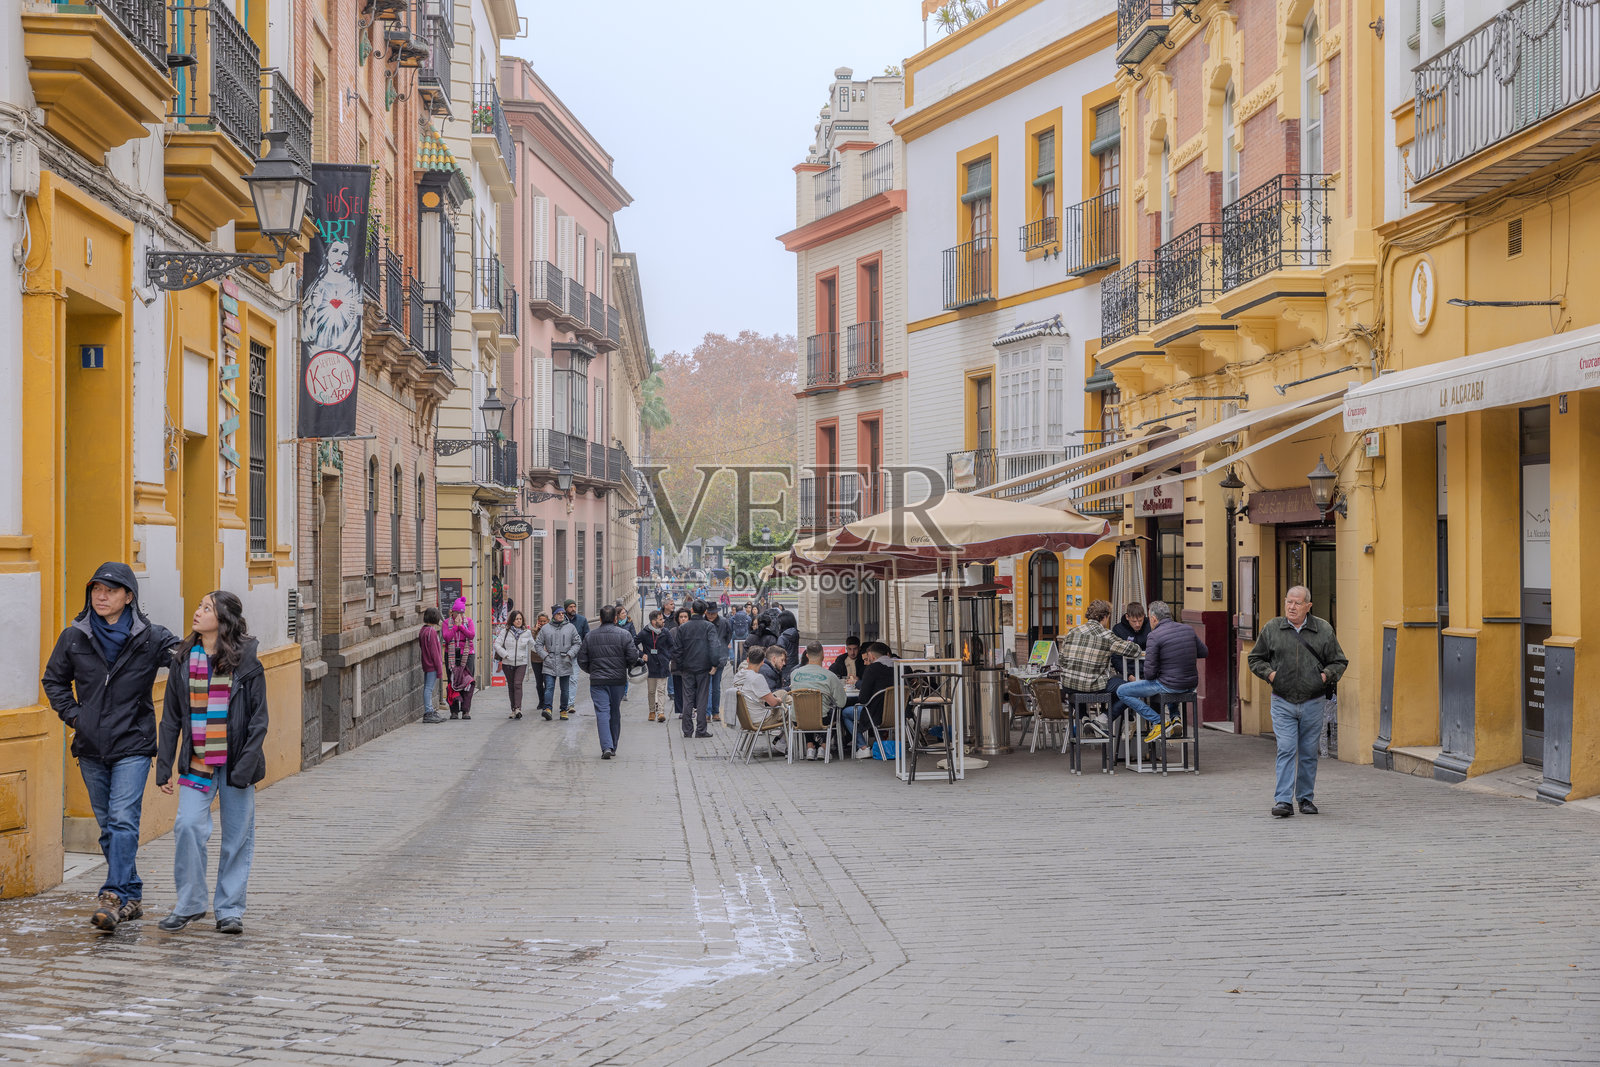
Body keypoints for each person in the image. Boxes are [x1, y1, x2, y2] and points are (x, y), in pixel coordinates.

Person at [42, 562, 183, 932]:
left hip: (133, 743)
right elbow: (53, 680)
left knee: (122, 820)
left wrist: (223, 647)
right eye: (96, 590)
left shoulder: (151, 638)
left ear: (129, 597)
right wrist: (76, 717)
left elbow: (188, 660)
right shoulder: (74, 636)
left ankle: (114, 894)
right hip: (90, 745)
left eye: (110, 590)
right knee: (108, 827)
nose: (101, 596)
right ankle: (132, 894)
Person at [153, 591, 269, 935]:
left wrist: (245, 767)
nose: (198, 611)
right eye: (199, 605)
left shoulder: (247, 661)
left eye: (207, 608)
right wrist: (164, 765)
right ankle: (190, 904)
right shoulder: (183, 659)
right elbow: (171, 718)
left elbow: (258, 720)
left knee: (237, 839)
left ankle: (229, 909)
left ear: (224, 618)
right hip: (197, 762)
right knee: (187, 826)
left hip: (236, 765)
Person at [1249, 585, 1347, 818]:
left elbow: (1339, 662)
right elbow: (1255, 659)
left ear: (1308, 606)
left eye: (1297, 603)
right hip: (1282, 700)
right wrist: (1272, 675)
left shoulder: (1323, 629)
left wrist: (1323, 677)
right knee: (1286, 747)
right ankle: (1283, 800)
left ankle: (1305, 798)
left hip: (1313, 701)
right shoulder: (1273, 628)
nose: (1291, 607)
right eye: (1289, 602)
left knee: (1308, 752)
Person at [1116, 601, 1207, 744]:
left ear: (1153, 619)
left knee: (1122, 691)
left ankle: (1159, 722)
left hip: (1169, 684)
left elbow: (1150, 673)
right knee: (1169, 681)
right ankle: (1175, 717)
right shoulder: (1188, 629)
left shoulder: (1154, 635)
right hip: (1191, 684)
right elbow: (1204, 652)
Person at [1054, 600, 1146, 740]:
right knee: (1131, 689)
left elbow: (1061, 660)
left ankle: (1084, 718)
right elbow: (1134, 651)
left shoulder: (1072, 632)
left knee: (1074, 683)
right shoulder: (1106, 635)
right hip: (1092, 685)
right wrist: (1129, 644)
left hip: (1068, 685)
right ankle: (1103, 719)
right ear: (1106, 617)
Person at [576, 605, 644, 759]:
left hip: (597, 681)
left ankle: (606, 746)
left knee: (602, 712)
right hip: (618, 681)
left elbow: (582, 659)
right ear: (615, 618)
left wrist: (592, 671)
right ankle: (612, 745)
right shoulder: (624, 635)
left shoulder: (590, 636)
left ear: (600, 619)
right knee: (614, 712)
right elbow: (633, 657)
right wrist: (624, 666)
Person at [674, 601, 725, 739]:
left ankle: (687, 730)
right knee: (702, 698)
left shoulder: (683, 628)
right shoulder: (708, 626)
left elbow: (677, 649)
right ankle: (701, 729)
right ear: (705, 612)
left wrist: (680, 665)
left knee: (688, 698)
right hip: (703, 667)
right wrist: (714, 664)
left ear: (692, 610)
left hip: (687, 667)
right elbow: (714, 646)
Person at [790, 641, 847, 761]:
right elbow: (841, 702)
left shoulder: (794, 674)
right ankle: (824, 747)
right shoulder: (830, 676)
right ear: (823, 655)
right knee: (833, 713)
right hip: (822, 719)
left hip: (798, 720)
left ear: (807, 655)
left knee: (805, 710)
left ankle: (810, 747)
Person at [732, 646, 788, 757]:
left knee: (781, 695)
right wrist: (779, 700)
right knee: (791, 712)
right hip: (761, 719)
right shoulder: (757, 678)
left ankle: (781, 742)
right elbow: (772, 703)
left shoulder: (738, 676)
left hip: (745, 719)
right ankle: (783, 743)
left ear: (748, 660)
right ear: (762, 662)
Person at [843, 641, 895, 758]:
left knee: (845, 713)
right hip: (897, 713)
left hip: (876, 713)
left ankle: (863, 747)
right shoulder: (899, 666)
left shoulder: (872, 669)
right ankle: (880, 743)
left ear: (871, 656)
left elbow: (863, 699)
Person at [536, 605, 581, 720]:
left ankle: (563, 710)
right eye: (558, 613)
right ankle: (547, 709)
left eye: (562, 613)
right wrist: (545, 656)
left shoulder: (570, 627)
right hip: (549, 661)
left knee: (565, 689)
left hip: (565, 661)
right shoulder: (546, 628)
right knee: (549, 687)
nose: (561, 615)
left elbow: (577, 643)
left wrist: (570, 654)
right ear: (553, 615)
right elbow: (538, 644)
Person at [494, 610, 537, 720]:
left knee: (518, 684)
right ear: (512, 620)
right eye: (516, 619)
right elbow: (497, 644)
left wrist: (544, 652)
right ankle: (513, 709)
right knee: (511, 686)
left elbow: (533, 646)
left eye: (520, 619)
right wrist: (505, 655)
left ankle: (518, 708)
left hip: (521, 662)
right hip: (508, 662)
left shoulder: (526, 633)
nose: (518, 621)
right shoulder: (505, 631)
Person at [442, 598, 477, 720]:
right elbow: (446, 637)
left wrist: (461, 626)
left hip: (467, 655)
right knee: (452, 682)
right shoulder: (446, 623)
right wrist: (455, 627)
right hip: (452, 655)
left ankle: (466, 710)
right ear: (453, 612)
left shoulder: (469, 622)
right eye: (459, 613)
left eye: (463, 613)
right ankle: (454, 711)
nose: (461, 616)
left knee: (467, 682)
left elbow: (471, 635)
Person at [637, 610, 672, 722]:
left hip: (662, 664)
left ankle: (661, 712)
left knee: (661, 690)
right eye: (661, 619)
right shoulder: (644, 633)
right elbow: (632, 644)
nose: (663, 621)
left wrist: (668, 657)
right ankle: (652, 711)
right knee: (651, 691)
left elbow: (672, 646)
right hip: (650, 665)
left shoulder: (665, 632)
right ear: (653, 621)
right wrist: (642, 654)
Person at [704, 602, 733, 722]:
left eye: (713, 613)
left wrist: (723, 648)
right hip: (705, 658)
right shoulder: (702, 622)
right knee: (707, 687)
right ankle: (707, 712)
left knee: (716, 687)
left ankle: (715, 712)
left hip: (720, 657)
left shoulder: (724, 622)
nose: (711, 615)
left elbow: (728, 636)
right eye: (709, 613)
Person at [418, 608, 445, 724]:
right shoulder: (432, 632)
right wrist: (439, 668)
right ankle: (428, 712)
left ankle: (430, 710)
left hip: (426, 662)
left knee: (427, 688)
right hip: (432, 665)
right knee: (429, 689)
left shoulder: (423, 630)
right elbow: (435, 652)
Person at [1111, 603, 1151, 680]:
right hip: (1128, 673)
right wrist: (1129, 675)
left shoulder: (1150, 626)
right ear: (1127, 617)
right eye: (1134, 621)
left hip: (1149, 672)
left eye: (1140, 620)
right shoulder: (1118, 629)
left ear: (1144, 616)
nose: (1137, 624)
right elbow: (1116, 658)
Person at [528, 612, 549, 717]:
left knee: (547, 681)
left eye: (544, 621)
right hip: (536, 660)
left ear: (548, 621)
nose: (542, 623)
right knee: (539, 682)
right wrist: (534, 631)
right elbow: (530, 643)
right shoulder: (533, 631)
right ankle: (541, 701)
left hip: (547, 660)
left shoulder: (550, 630)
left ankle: (546, 702)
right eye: (540, 621)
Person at [775, 609, 800, 686]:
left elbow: (779, 654)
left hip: (784, 668)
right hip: (794, 666)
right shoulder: (795, 634)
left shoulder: (782, 638)